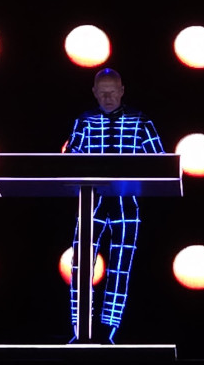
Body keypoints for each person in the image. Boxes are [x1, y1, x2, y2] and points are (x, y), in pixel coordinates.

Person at [64, 68, 164, 343]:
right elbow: (69, 159)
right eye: (102, 92)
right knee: (80, 265)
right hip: (91, 201)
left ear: (122, 91)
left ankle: (110, 330)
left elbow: (161, 162)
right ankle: (80, 329)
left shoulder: (140, 121)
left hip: (126, 202)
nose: (108, 98)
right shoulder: (84, 121)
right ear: (94, 93)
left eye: (112, 92)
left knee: (121, 266)